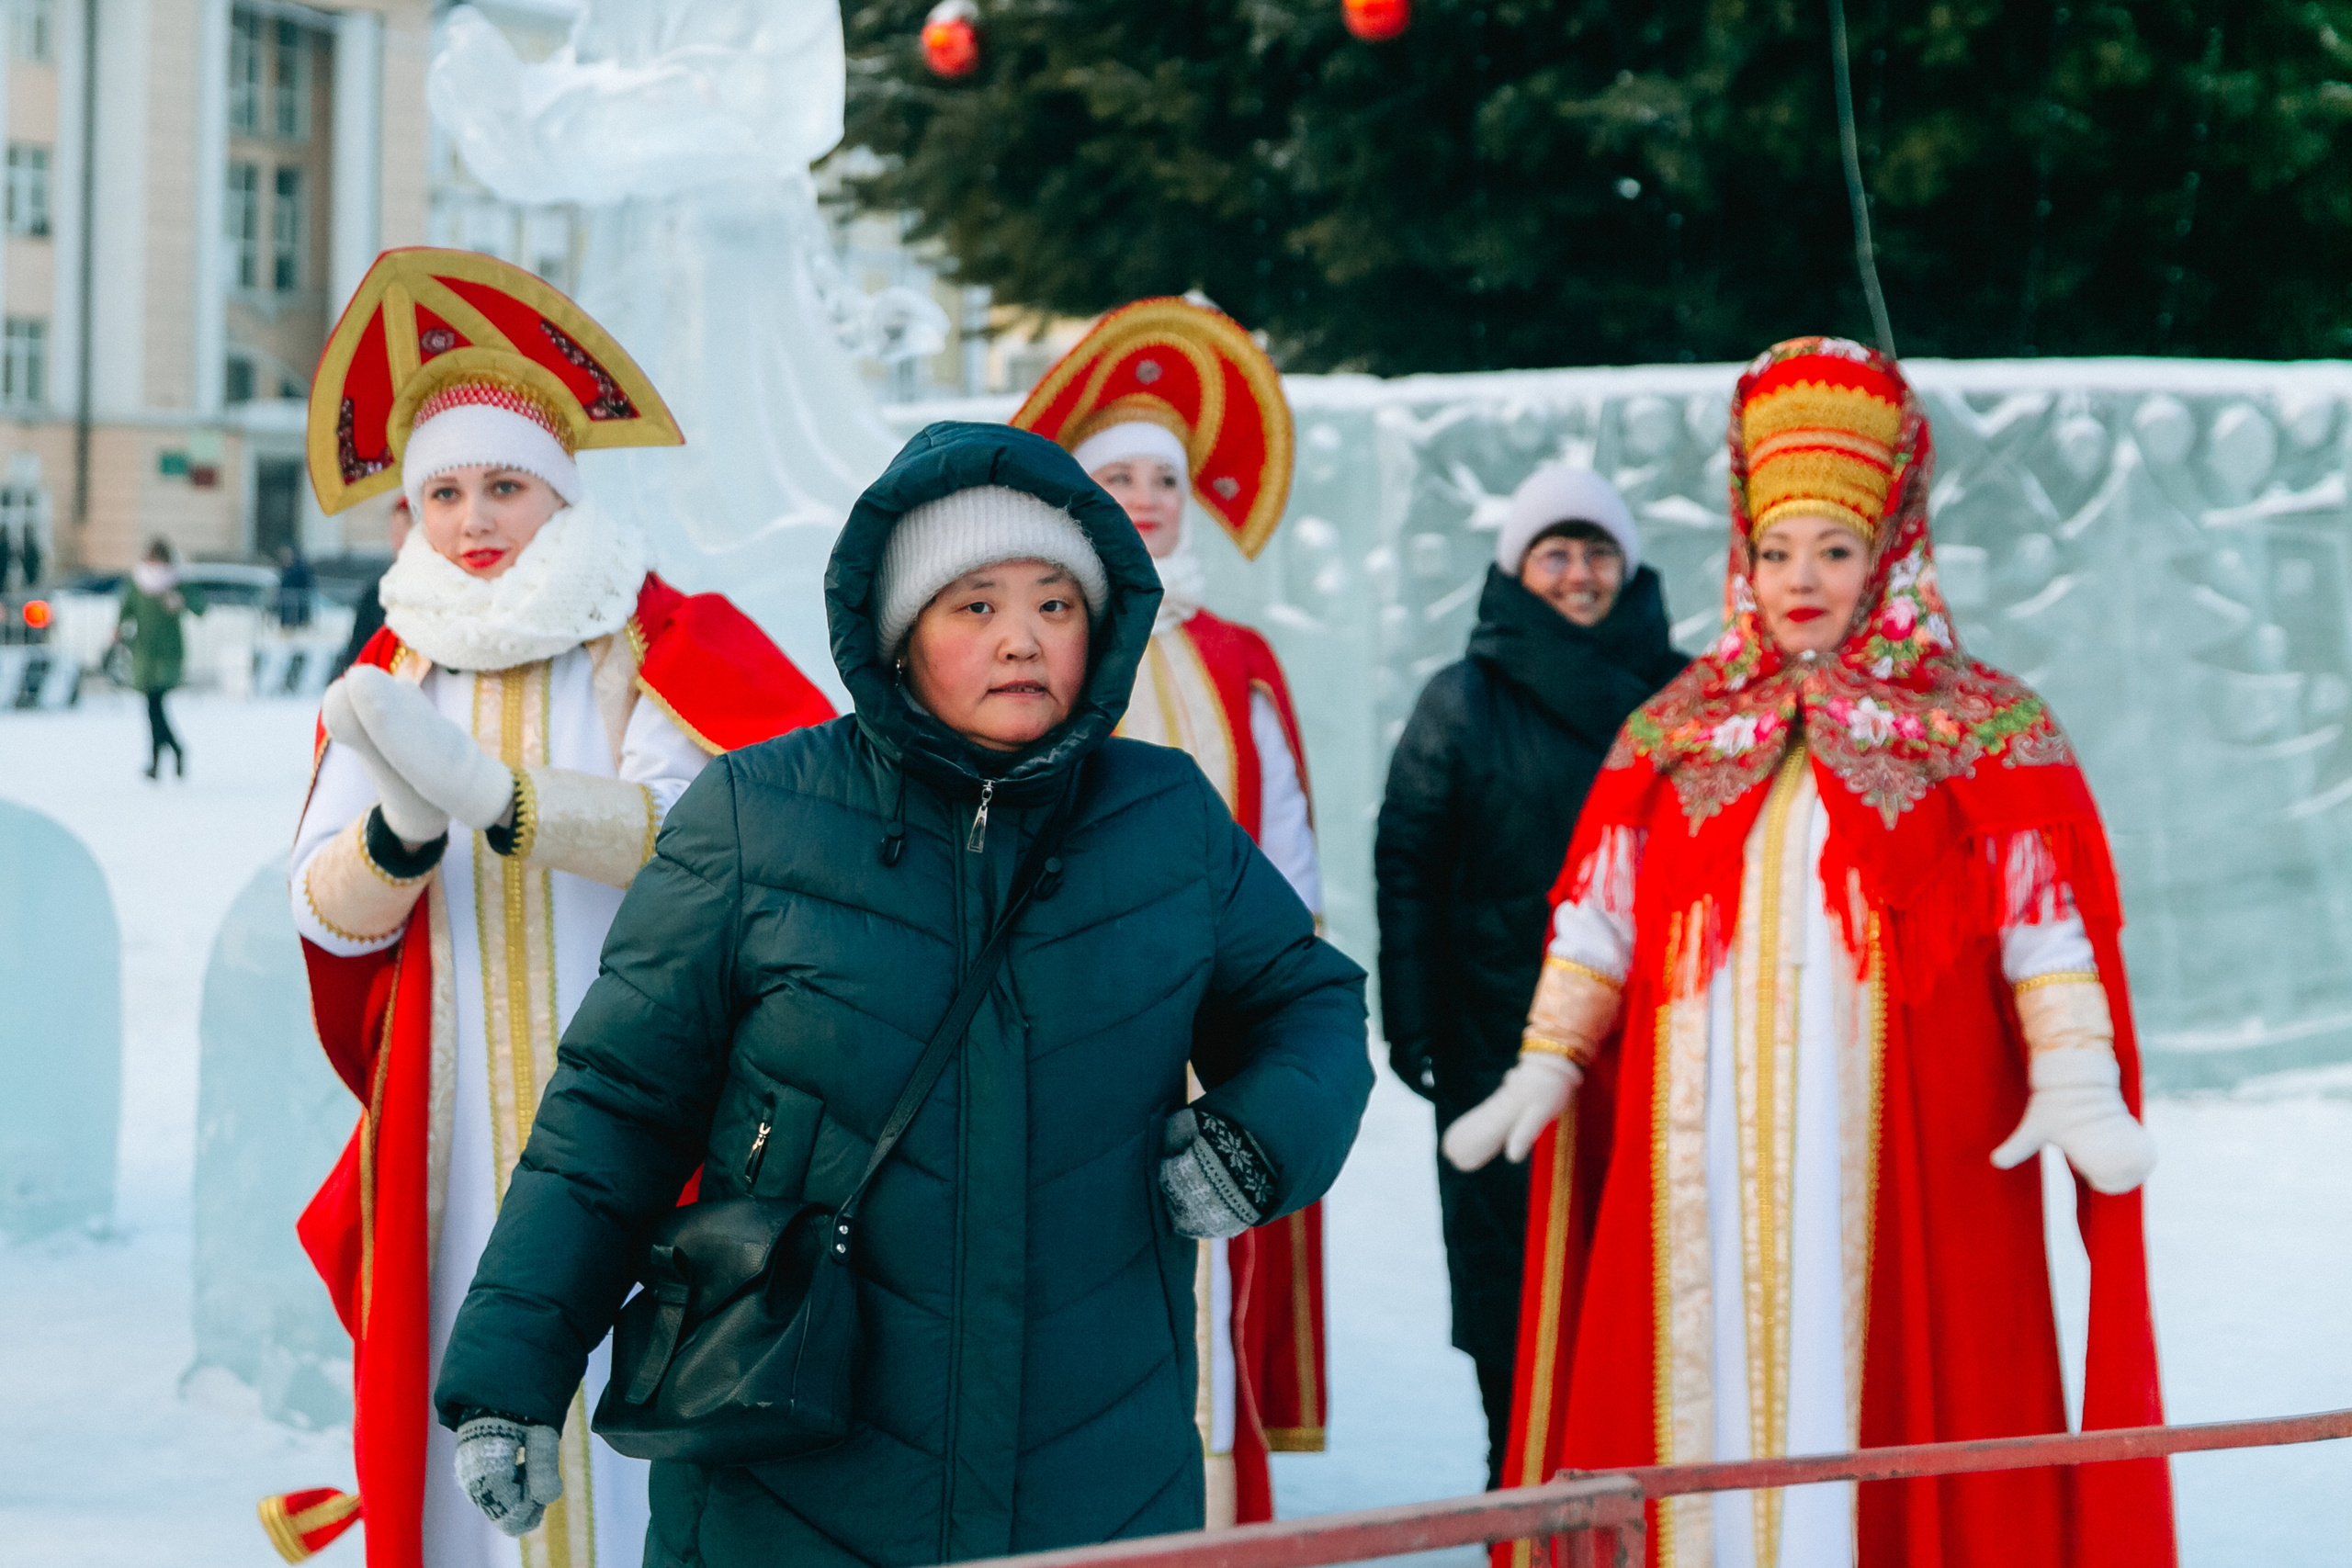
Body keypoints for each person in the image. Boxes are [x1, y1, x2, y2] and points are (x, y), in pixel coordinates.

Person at [429, 421, 1373, 1567]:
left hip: (1095, 1470)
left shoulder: (1163, 819)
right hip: (790, 1470)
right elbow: (616, 1110)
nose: (1022, 638)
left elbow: (1308, 1006)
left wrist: (1262, 1135)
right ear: (897, 634)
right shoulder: (755, 817)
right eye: (975, 605)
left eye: (1056, 604)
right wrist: (509, 1376)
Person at [1451, 340, 2173, 1568]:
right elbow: (1602, 911)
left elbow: (2040, 918)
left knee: (1881, 1375)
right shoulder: (1679, 725)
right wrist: (1548, 1056)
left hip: (1903, 1147)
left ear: (1889, 552)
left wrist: (2074, 1073)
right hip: (1704, 1151)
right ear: (1744, 552)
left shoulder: (1982, 723)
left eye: (1834, 551)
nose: (1801, 579)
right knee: (1710, 1379)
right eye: (1777, 549)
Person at [259, 249, 837, 1568]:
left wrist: (504, 799)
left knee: (648, 1372)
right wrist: (401, 836)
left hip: (651, 1089)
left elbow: (709, 838)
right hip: (453, 1112)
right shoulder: (394, 663)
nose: (475, 517)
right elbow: (326, 910)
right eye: (444, 490)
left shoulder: (647, 640)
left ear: (562, 491)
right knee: (468, 1364)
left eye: (505, 485)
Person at [1010, 297, 1328, 1526]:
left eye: (1165, 479)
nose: (1144, 498)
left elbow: (1284, 847)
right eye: (1118, 476)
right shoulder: (1044, 643)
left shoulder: (1237, 656)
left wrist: (1270, 1000)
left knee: (1208, 1289)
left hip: (1210, 1025)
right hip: (1064, 1026)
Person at [1373, 465, 1686, 1487]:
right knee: (1510, 1269)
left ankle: (1650, 1484)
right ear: (1517, 568)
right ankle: (1518, 1475)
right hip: (1493, 1037)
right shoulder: (1461, 700)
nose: (1579, 573)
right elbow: (1409, 863)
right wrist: (1412, 1018)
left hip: (1656, 1040)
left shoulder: (1685, 698)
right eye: (1555, 553)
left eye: (1598, 552)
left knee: (1645, 1261)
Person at [118, 538, 205, 780]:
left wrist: (181, 602)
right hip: (144, 652)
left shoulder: (178, 583)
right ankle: (168, 754)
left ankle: (164, 757)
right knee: (153, 708)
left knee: (154, 706)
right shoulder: (137, 582)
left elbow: (200, 609)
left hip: (168, 653)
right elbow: (126, 609)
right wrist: (118, 628)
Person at [334, 497, 410, 677]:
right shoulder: (375, 594)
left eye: (407, 526)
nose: (399, 538)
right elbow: (356, 654)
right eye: (394, 528)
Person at [277, 543, 316, 629]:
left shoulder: (299, 568)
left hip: (298, 601)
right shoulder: (285, 568)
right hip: (288, 601)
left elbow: (306, 582)